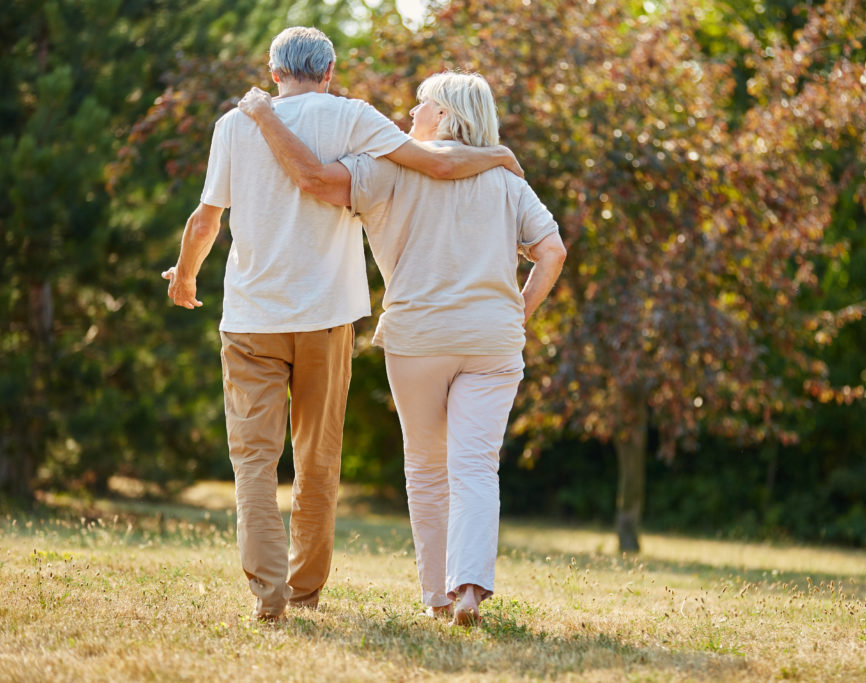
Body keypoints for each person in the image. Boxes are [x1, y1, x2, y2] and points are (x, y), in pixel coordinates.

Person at [161, 28, 523, 623]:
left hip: (251, 318)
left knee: (253, 461)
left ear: (274, 72)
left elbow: (207, 218)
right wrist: (499, 157)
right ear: (329, 70)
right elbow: (434, 161)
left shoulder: (234, 124)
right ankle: (304, 590)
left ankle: (268, 594)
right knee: (318, 460)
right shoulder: (354, 117)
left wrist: (185, 276)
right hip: (327, 318)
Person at [237, 71, 566, 625]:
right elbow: (551, 251)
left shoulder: (385, 167)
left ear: (442, 115)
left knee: (427, 468)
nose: (409, 114)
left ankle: (437, 598)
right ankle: (468, 590)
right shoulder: (506, 177)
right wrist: (518, 311)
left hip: (419, 337)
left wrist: (266, 118)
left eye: (420, 105)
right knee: (477, 467)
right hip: (493, 339)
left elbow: (317, 183)